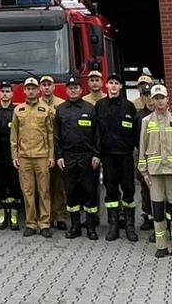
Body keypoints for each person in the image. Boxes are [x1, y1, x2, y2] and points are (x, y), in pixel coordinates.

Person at [137, 84, 172, 259]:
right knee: (158, 209)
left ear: (168, 99)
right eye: (156, 98)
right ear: (151, 100)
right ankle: (161, 246)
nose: (159, 101)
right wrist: (144, 172)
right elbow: (142, 147)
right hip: (155, 173)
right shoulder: (146, 122)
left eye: (162, 97)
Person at [95, 74, 141, 242]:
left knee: (129, 190)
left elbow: (135, 133)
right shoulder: (100, 106)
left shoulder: (129, 106)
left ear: (121, 87)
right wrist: (97, 154)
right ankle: (113, 226)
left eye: (117, 83)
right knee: (111, 190)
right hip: (108, 156)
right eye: (111, 83)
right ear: (106, 86)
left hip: (125, 156)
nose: (113, 86)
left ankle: (129, 226)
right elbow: (97, 133)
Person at [54, 76, 101, 240]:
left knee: (89, 191)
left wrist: (96, 154)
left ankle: (90, 227)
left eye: (76, 88)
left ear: (81, 90)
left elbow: (97, 134)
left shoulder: (90, 108)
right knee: (71, 191)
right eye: (70, 88)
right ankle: (74, 227)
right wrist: (59, 156)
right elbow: (56, 136)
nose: (73, 91)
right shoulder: (60, 109)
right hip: (68, 157)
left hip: (87, 157)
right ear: (66, 90)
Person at [11, 77, 57, 237]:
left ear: (38, 91)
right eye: (28, 88)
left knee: (44, 191)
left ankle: (44, 224)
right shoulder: (18, 110)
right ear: (24, 91)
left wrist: (51, 155)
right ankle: (31, 224)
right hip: (24, 157)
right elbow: (14, 135)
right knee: (28, 191)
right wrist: (14, 155)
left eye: (33, 88)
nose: (31, 91)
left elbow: (51, 134)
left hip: (42, 156)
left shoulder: (46, 109)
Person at [0, 81, 21, 231]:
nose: (5, 94)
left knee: (14, 185)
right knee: (0, 186)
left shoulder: (17, 111)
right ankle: (2, 217)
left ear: (12, 93)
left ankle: (14, 217)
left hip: (13, 154)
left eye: (8, 91)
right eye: (2, 91)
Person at [36, 74, 65, 231]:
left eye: (49, 84)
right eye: (44, 85)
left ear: (54, 87)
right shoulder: (35, 104)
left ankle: (60, 216)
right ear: (40, 88)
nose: (46, 87)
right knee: (42, 186)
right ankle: (45, 216)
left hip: (58, 148)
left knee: (59, 184)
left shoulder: (62, 104)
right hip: (40, 150)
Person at [134, 73, 158, 231]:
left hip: (159, 158)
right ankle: (147, 217)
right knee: (145, 188)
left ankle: (160, 219)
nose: (149, 98)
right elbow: (135, 139)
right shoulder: (138, 116)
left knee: (159, 190)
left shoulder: (161, 114)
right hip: (143, 157)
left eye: (151, 95)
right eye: (145, 95)